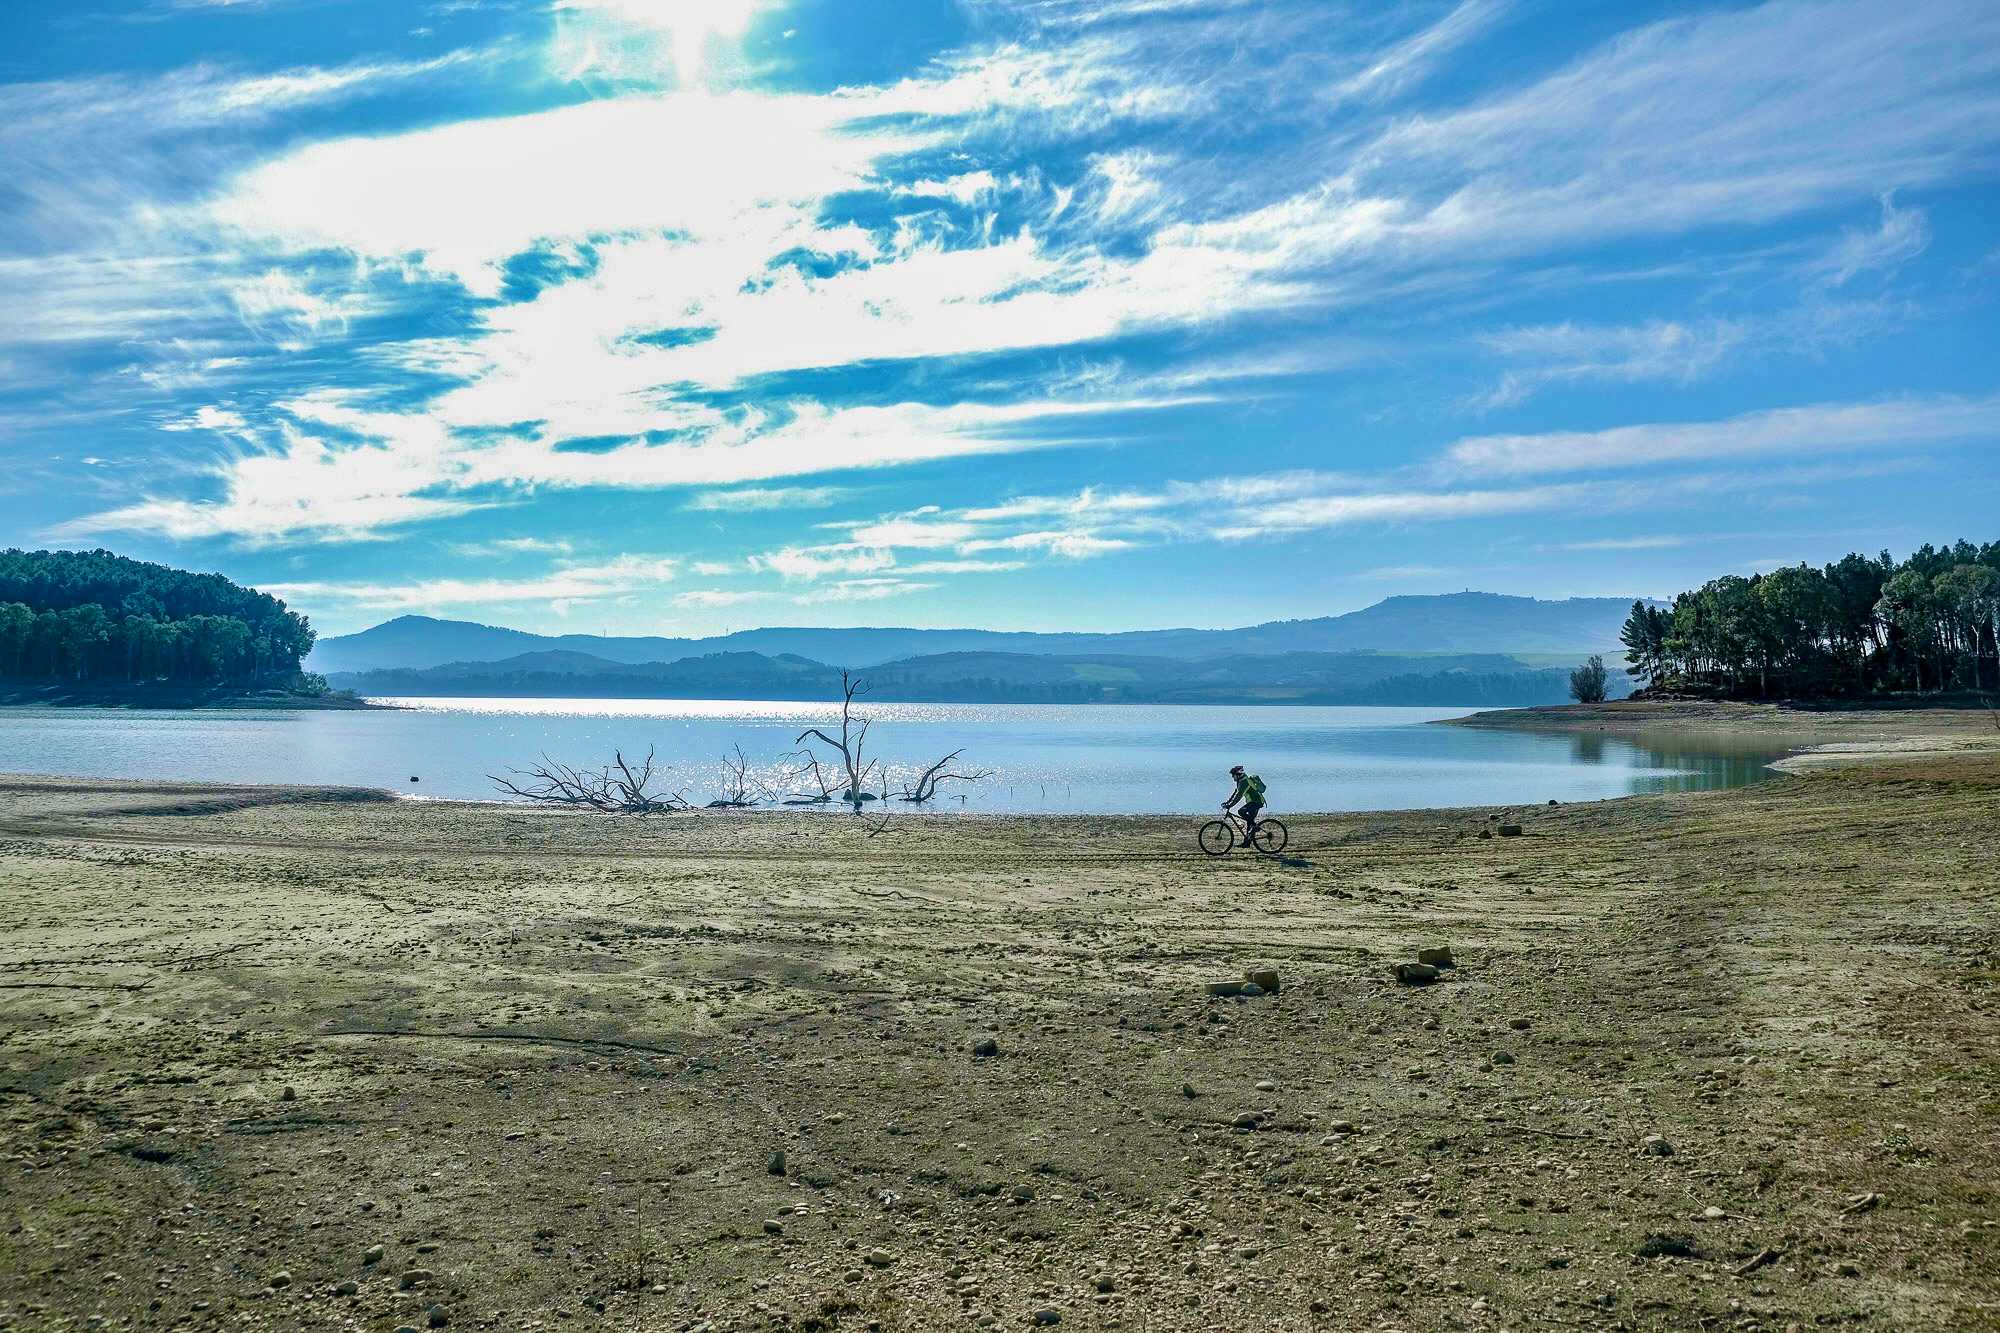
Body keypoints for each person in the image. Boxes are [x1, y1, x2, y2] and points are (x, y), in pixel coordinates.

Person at [1222, 764, 1267, 846]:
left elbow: (1238, 796)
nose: (1232, 777)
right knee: (1249, 823)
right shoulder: (1240, 782)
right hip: (1252, 802)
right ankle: (1246, 843)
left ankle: (1255, 826)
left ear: (1237, 775)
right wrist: (1228, 802)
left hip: (1256, 802)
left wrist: (1230, 805)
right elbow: (1235, 793)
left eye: (1233, 775)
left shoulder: (1244, 782)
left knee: (1241, 811)